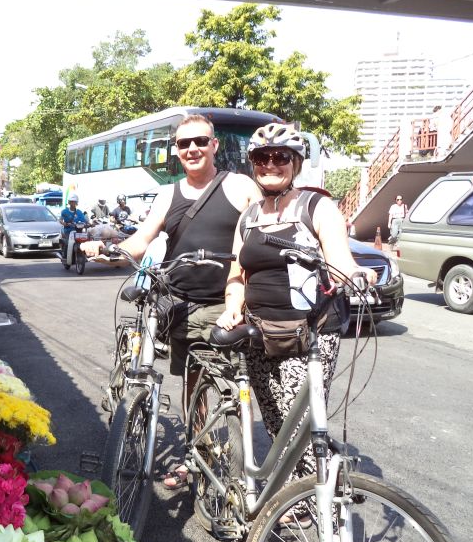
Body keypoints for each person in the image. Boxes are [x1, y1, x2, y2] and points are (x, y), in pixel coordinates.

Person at [83, 114, 262, 489]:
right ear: (176, 151)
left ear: (214, 145)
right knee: (191, 384)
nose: (192, 149)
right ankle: (193, 456)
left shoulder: (240, 186)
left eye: (200, 141)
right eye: (184, 144)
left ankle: (237, 470)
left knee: (227, 386)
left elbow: (262, 233)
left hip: (224, 304)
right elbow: (141, 240)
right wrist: (110, 252)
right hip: (177, 303)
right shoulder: (169, 193)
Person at [218, 123, 377, 498]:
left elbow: (340, 258)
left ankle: (318, 498)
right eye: (261, 157)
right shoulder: (249, 217)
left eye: (280, 157)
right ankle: (295, 496)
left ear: (296, 164)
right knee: (276, 420)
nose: (270, 164)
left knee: (303, 424)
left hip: (312, 332)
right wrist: (231, 308)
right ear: (252, 164)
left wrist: (355, 273)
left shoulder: (316, 207)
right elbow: (236, 275)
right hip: (260, 332)